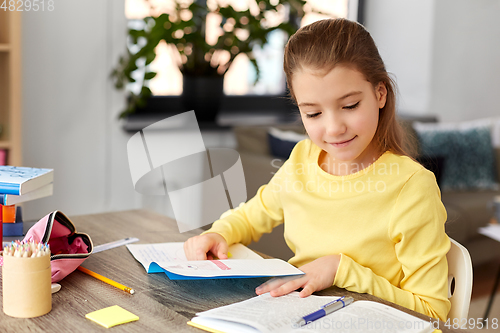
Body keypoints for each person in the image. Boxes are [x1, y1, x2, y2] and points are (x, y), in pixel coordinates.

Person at [184, 18, 450, 321]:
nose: (334, 128)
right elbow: (252, 215)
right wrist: (220, 232)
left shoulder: (412, 187)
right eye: (313, 113)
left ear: (380, 94)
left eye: (350, 106)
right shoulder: (302, 159)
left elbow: (434, 312)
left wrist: (342, 270)